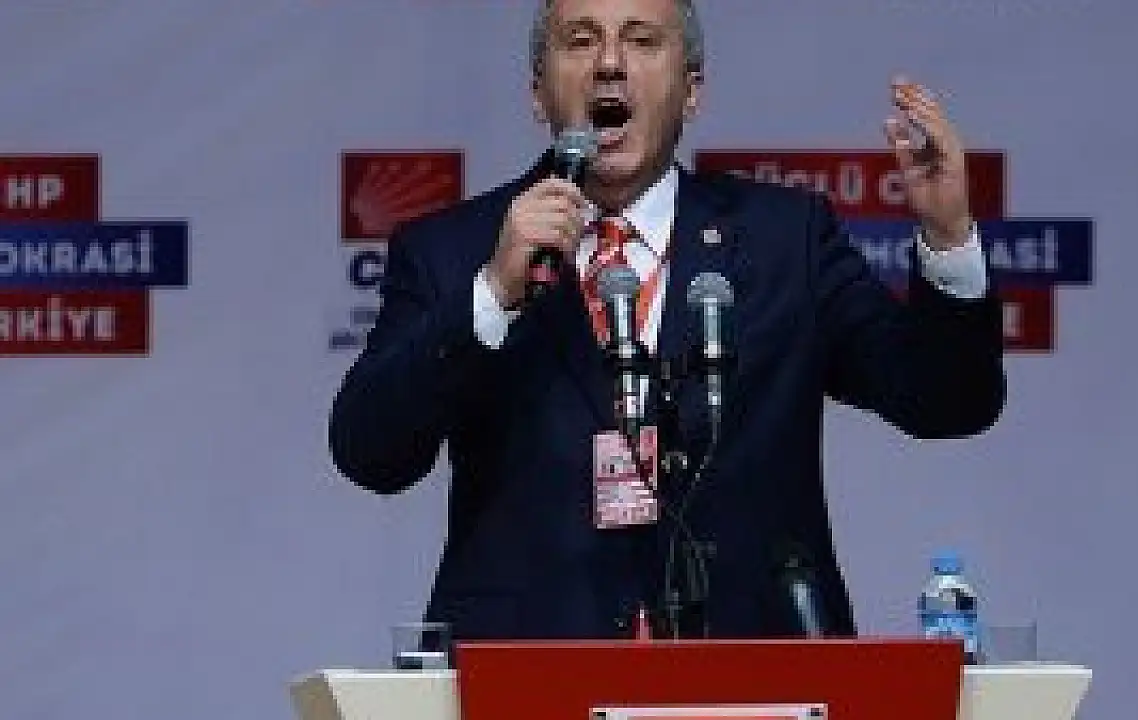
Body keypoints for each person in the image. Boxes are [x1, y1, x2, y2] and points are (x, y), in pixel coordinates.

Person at [328, 0, 1005, 640]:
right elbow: (370, 452)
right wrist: (492, 294)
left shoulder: (783, 240)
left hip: (749, 673)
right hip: (530, 671)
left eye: (643, 41)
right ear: (538, 94)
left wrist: (948, 238)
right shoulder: (453, 250)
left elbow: (948, 400)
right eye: (580, 41)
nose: (609, 63)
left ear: (692, 90)